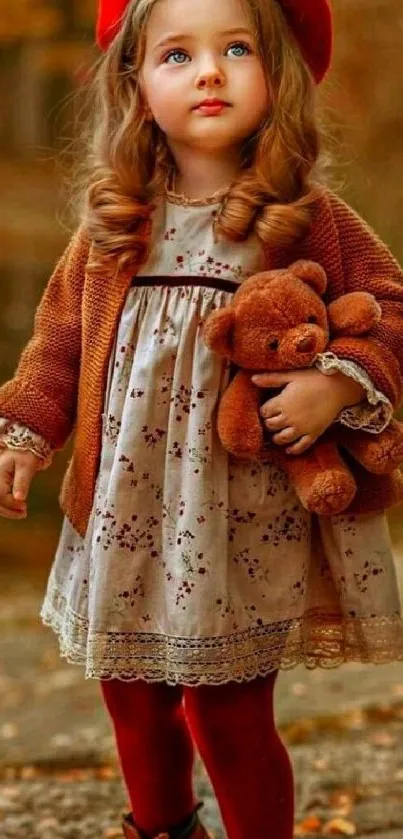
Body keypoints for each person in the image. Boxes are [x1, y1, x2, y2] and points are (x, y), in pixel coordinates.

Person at [0, 0, 403, 837]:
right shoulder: (115, 228)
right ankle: (161, 826)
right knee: (133, 699)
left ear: (279, 75)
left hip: (237, 526)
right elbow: (58, 342)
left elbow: (394, 310)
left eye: (236, 48)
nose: (209, 71)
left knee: (227, 710)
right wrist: (27, 431)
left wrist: (337, 382)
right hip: (126, 514)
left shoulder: (304, 218)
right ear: (136, 84)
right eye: (175, 55)